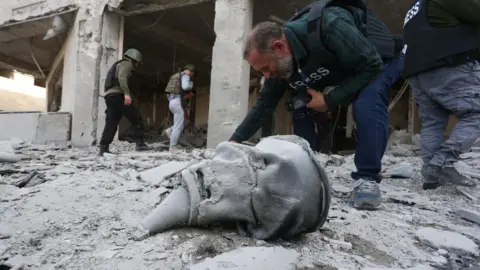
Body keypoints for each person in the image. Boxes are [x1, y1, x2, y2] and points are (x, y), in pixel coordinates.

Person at [229, 0, 405, 210]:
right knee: (300, 105)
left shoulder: (331, 26)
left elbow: (372, 66)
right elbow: (264, 105)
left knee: (367, 102)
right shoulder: (280, 59)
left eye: (267, 67)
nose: (267, 75)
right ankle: (306, 171)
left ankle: (367, 178)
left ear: (279, 47)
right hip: (343, 66)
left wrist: (330, 100)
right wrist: (233, 143)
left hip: (378, 58)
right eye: (261, 72)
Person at [403, 0, 479, 190]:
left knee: (433, 121)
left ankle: (431, 175)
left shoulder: (416, 7)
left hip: (417, 71)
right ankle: (442, 163)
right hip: (447, 65)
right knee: (476, 113)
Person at [98, 48, 151, 156]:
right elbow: (122, 77)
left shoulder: (117, 64)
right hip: (118, 96)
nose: (137, 65)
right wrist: (126, 94)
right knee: (136, 118)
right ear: (135, 59)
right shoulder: (127, 64)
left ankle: (104, 148)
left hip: (110, 96)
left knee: (111, 123)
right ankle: (140, 144)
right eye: (137, 62)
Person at [163, 64, 196, 153]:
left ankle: (170, 130)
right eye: (192, 73)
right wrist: (191, 85)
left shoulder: (175, 76)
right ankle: (173, 147)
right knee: (179, 126)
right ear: (190, 71)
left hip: (171, 102)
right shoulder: (185, 76)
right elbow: (185, 87)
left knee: (178, 124)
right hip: (177, 101)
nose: (191, 75)